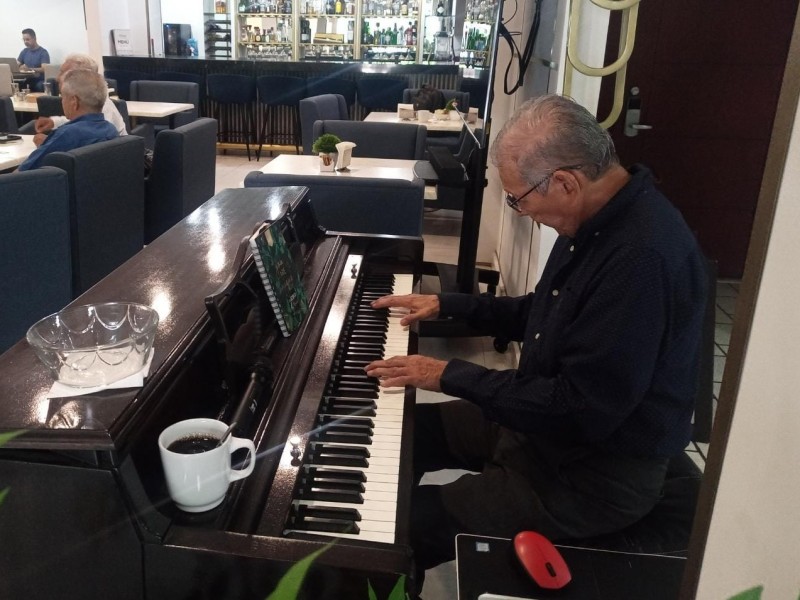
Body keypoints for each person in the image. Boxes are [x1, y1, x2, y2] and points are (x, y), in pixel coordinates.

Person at [364, 94, 708, 576]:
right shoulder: (600, 221)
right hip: (541, 430)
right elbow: (544, 312)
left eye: (519, 198)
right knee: (405, 434)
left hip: (589, 474)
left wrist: (448, 373)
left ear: (565, 182)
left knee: (405, 526)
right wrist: (449, 303)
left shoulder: (640, 260)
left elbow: (578, 410)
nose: (520, 211)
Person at [18, 68, 118, 171]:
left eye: (63, 97)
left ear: (74, 101)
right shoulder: (111, 130)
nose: (62, 102)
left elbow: (23, 172)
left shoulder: (67, 135)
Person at [33, 53, 127, 144]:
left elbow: (92, 138)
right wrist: (54, 122)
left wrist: (51, 143)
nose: (57, 78)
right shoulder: (91, 104)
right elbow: (84, 123)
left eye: (65, 74)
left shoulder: (103, 106)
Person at [17, 28, 49, 92]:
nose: (25, 42)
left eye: (27, 39)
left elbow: (44, 69)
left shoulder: (43, 52)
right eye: (24, 40)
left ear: (34, 38)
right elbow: (16, 64)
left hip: (39, 80)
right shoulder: (24, 51)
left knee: (39, 86)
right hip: (28, 79)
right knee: (16, 84)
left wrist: (30, 69)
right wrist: (20, 67)